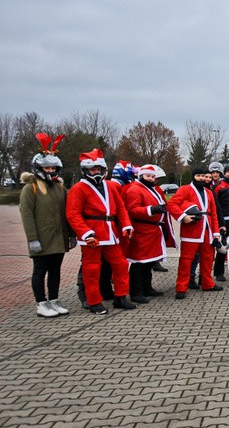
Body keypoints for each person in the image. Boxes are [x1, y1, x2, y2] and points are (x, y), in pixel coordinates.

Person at [65, 149, 136, 314]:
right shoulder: (78, 188)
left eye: (98, 169)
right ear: (85, 170)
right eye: (92, 169)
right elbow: (73, 214)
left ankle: (120, 297)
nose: (96, 172)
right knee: (92, 269)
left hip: (111, 233)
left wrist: (126, 225)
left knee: (121, 264)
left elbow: (120, 208)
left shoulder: (110, 186)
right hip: (93, 234)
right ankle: (94, 301)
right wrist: (85, 233)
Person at [20, 133, 73, 318]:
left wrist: (71, 234)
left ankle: (54, 300)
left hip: (59, 238)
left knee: (55, 271)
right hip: (41, 239)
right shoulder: (30, 189)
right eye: (47, 167)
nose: (51, 170)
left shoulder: (59, 187)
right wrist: (32, 239)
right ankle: (41, 303)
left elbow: (67, 212)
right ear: (39, 168)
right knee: (39, 271)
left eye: (53, 167)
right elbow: (27, 216)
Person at [123, 164, 176, 303]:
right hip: (142, 230)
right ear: (141, 176)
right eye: (148, 176)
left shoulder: (149, 189)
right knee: (139, 263)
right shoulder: (135, 190)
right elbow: (132, 210)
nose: (151, 179)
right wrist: (151, 210)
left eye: (153, 176)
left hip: (153, 230)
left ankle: (147, 287)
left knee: (149, 262)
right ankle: (135, 292)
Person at [168, 167, 223, 298]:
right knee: (186, 260)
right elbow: (171, 204)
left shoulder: (209, 192)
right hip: (191, 230)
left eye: (203, 176)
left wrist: (216, 233)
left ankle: (207, 283)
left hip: (207, 230)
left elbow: (214, 214)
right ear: (193, 176)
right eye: (198, 175)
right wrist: (183, 217)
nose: (201, 178)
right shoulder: (185, 189)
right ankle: (181, 288)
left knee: (208, 258)